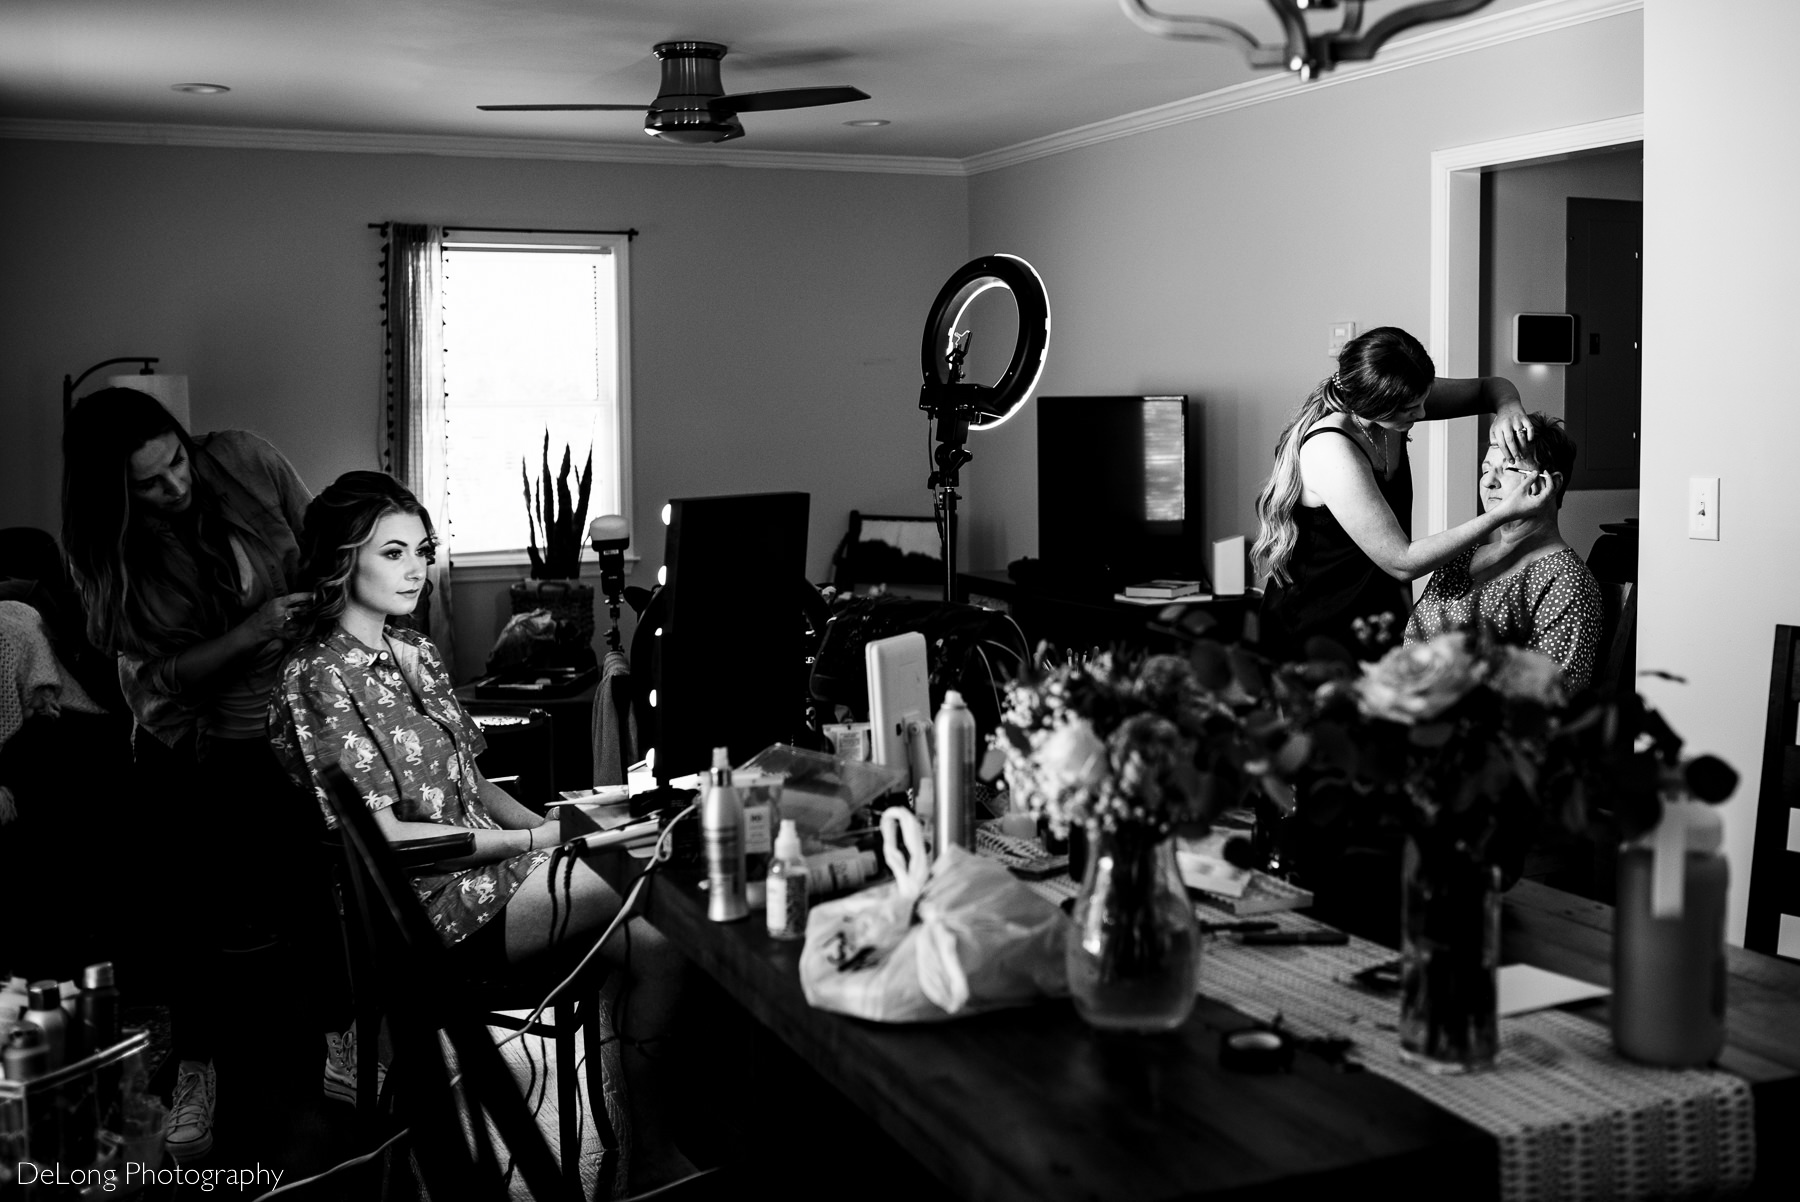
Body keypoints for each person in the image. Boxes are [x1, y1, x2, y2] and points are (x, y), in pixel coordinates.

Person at [269, 471, 689, 1192]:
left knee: (656, 933)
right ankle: (650, 1151)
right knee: (642, 879)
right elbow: (386, 840)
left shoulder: (417, 653)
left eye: (421, 550)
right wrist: (543, 845)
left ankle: (647, 1143)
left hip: (495, 880)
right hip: (422, 912)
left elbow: (478, 786)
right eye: (392, 552)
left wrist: (560, 823)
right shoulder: (317, 676)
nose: (415, 568)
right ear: (343, 562)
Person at [60, 387, 338, 1164]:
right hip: (190, 742)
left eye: (176, 462)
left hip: (290, 724)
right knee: (196, 928)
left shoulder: (244, 458)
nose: (175, 487)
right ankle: (197, 1069)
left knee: (316, 893)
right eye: (148, 484)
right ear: (112, 495)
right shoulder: (106, 554)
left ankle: (341, 1036)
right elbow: (162, 677)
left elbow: (321, 541)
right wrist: (252, 632)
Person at [1252, 326, 1558, 661]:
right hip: (1315, 626)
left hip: (1376, 614)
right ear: (1371, 406)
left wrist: (1509, 407)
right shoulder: (1331, 449)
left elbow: (1489, 387)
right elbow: (1402, 561)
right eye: (1410, 409)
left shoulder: (1400, 400)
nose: (1422, 414)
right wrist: (1501, 514)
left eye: (1423, 399)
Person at [1404, 414, 1604, 690]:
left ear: (1550, 483)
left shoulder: (1565, 582)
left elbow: (1549, 700)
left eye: (1508, 469)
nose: (1488, 482)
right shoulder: (1460, 557)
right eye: (1486, 469)